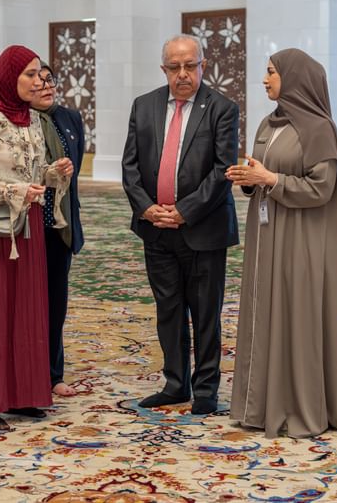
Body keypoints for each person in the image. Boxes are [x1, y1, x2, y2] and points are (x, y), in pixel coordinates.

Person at [225, 48, 337, 438]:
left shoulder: (319, 129)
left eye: (271, 72)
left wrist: (271, 181)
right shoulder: (268, 124)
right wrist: (250, 179)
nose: (264, 79)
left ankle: (302, 406)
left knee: (298, 310)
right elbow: (265, 175)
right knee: (265, 308)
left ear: (295, 77)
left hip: (304, 237)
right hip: (268, 233)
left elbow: (322, 187)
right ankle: (261, 405)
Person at [0, 45, 74, 431]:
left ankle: (21, 395)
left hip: (27, 230)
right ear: (9, 77)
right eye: (30, 74)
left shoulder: (33, 121)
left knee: (26, 312)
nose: (39, 80)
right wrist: (11, 192)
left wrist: (54, 174)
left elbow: (33, 173)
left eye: (41, 73)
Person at [122, 34, 239, 415]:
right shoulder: (144, 106)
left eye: (190, 66)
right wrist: (147, 208)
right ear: (164, 69)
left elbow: (222, 170)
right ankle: (175, 383)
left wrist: (184, 210)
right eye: (175, 67)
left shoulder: (221, 108)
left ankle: (205, 388)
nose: (183, 74)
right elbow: (130, 167)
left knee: (205, 311)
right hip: (156, 229)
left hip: (203, 229)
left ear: (203, 65)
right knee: (168, 308)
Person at [32, 62, 85, 398]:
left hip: (59, 225)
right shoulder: (16, 120)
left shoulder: (69, 118)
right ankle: (26, 370)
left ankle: (53, 373)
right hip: (26, 225)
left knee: (55, 301)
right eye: (39, 81)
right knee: (27, 302)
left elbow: (75, 170)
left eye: (50, 79)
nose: (47, 86)